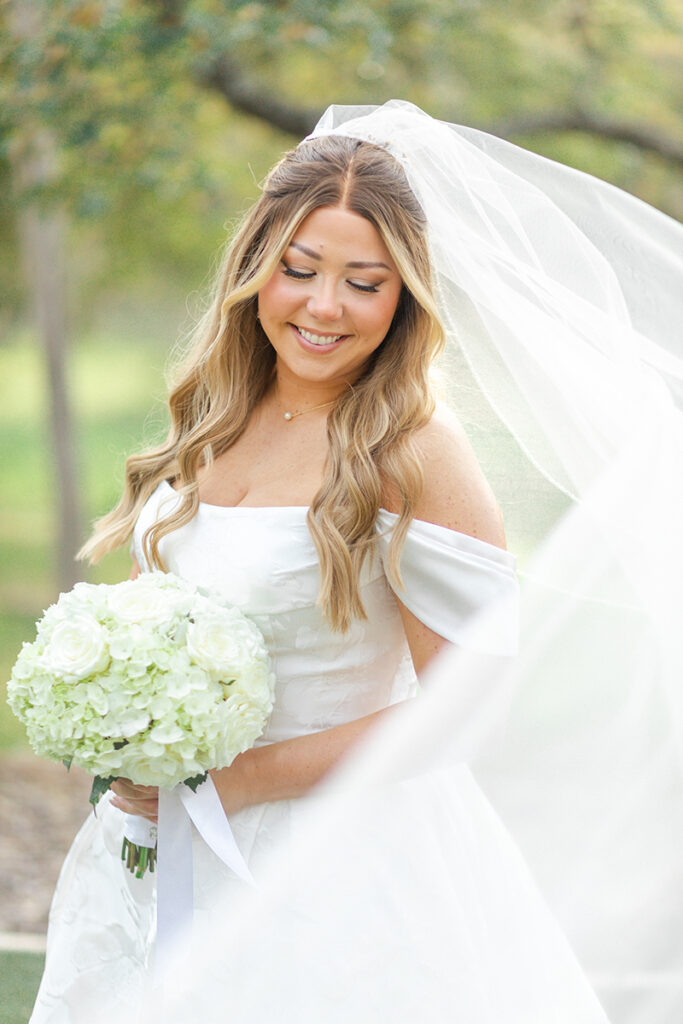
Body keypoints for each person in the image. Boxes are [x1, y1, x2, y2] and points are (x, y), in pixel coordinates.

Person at [29, 102, 683, 1024]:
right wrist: (128, 737)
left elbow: (469, 707)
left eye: (362, 282)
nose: (323, 306)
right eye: (299, 270)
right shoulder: (212, 416)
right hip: (154, 834)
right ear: (257, 267)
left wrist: (232, 781)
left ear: (404, 296)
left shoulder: (411, 450)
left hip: (336, 867)